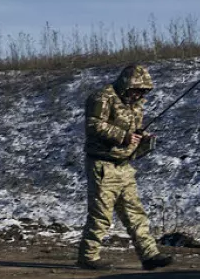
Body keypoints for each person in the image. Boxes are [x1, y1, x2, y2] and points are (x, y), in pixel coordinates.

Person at [77, 63, 174, 271]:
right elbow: (93, 125)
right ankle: (88, 256)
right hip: (103, 165)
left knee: (135, 213)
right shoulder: (102, 97)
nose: (139, 94)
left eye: (143, 91)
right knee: (101, 215)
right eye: (137, 89)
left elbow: (133, 128)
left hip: (124, 166)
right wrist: (124, 136)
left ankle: (149, 255)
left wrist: (142, 138)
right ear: (127, 84)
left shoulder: (136, 104)